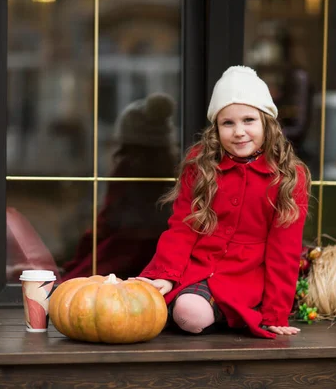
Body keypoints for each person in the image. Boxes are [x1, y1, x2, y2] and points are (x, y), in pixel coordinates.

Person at [135, 66, 311, 339]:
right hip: (194, 266)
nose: (239, 131)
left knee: (189, 312)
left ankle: (215, 311)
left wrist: (275, 312)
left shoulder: (288, 175)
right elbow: (183, 226)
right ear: (216, 128)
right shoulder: (202, 163)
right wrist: (166, 274)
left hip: (244, 275)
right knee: (139, 302)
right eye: (228, 123)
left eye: (249, 120)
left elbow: (284, 249)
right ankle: (187, 305)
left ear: (267, 122)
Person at [60, 93, 180, 281]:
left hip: (123, 248)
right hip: (160, 248)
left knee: (79, 280)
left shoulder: (127, 168)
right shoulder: (176, 167)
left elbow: (108, 217)